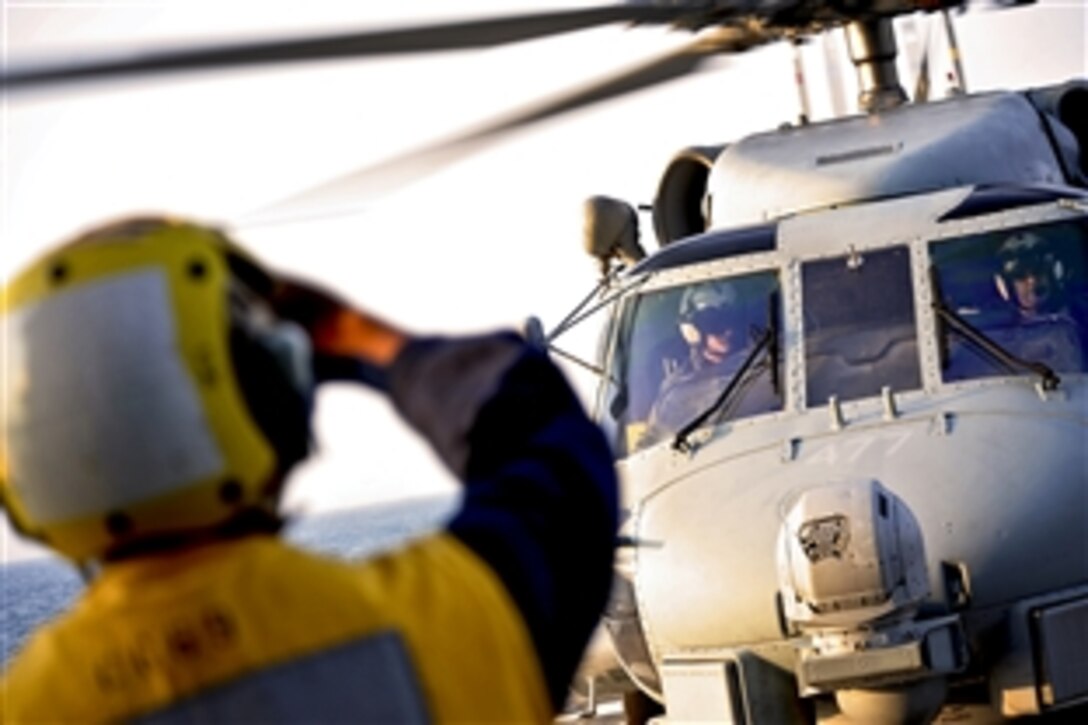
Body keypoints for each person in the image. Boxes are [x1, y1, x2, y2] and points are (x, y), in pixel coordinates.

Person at [0, 217, 618, 723]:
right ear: (273, 395)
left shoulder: (26, 706)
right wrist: (354, 337)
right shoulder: (445, 622)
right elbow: (553, 452)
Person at [992, 230, 1084, 371]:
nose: (1032, 281)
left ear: (1055, 273)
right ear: (1005, 286)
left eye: (1039, 271)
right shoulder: (994, 334)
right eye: (1020, 275)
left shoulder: (1082, 319)